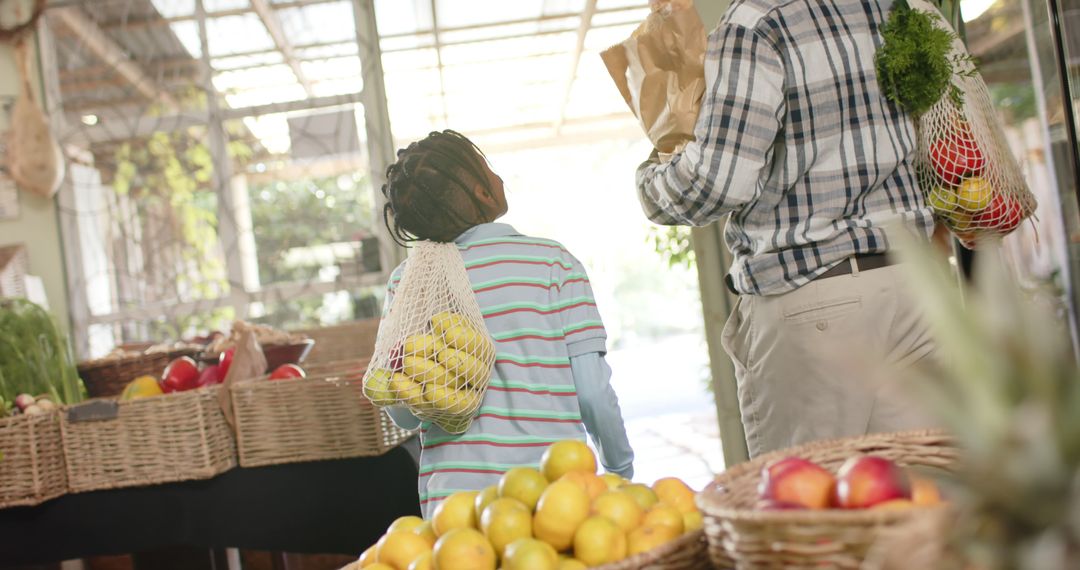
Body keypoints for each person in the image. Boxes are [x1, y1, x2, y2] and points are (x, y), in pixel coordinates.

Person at [636, 0, 937, 458]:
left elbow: (717, 182)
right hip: (913, 287)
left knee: (807, 511)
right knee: (915, 508)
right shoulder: (890, 5)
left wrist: (650, 181)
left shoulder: (757, 20)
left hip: (814, 297)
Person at [379, 130, 634, 515]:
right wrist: (620, 468)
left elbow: (403, 413)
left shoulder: (409, 282)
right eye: (489, 169)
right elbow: (593, 393)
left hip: (456, 511)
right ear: (484, 192)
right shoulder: (554, 264)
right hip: (556, 498)